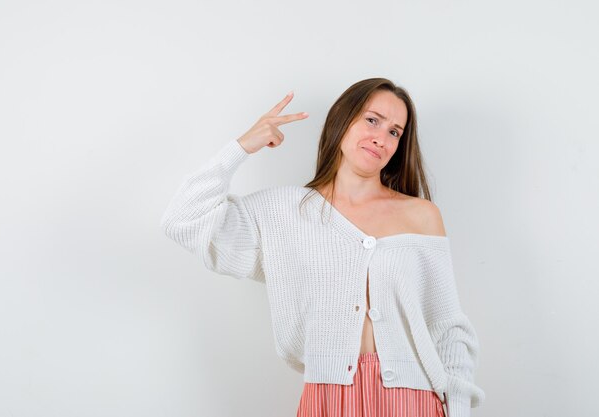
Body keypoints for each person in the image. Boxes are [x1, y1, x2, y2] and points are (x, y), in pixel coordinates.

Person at [160, 78, 485, 417]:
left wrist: (458, 409)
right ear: (343, 120)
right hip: (327, 401)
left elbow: (448, 328)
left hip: (413, 401)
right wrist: (242, 147)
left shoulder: (421, 216)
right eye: (372, 120)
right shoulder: (283, 212)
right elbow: (183, 219)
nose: (381, 137)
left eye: (394, 132)